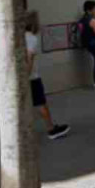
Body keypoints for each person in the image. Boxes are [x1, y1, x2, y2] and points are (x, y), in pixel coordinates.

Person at [25, 12, 70, 140]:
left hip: (22, 77)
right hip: (31, 77)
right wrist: (26, 76)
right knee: (40, 103)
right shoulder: (31, 38)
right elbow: (29, 58)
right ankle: (51, 129)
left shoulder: (18, 36)